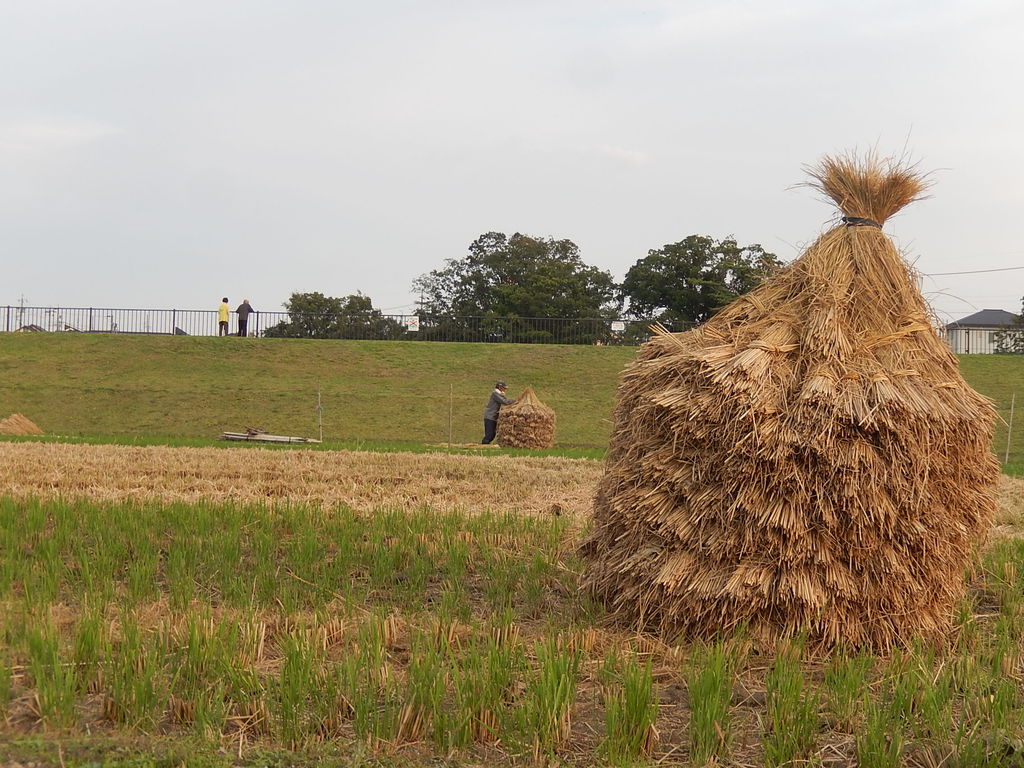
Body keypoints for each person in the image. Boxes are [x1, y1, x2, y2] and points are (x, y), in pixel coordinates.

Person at [482, 380, 515, 444]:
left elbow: (505, 400)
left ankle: (485, 446)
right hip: (490, 416)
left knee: (492, 435)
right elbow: (505, 402)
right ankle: (483, 446)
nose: (505, 389)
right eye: (504, 388)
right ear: (500, 387)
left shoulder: (499, 394)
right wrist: (516, 400)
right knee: (489, 435)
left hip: (494, 417)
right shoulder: (495, 394)